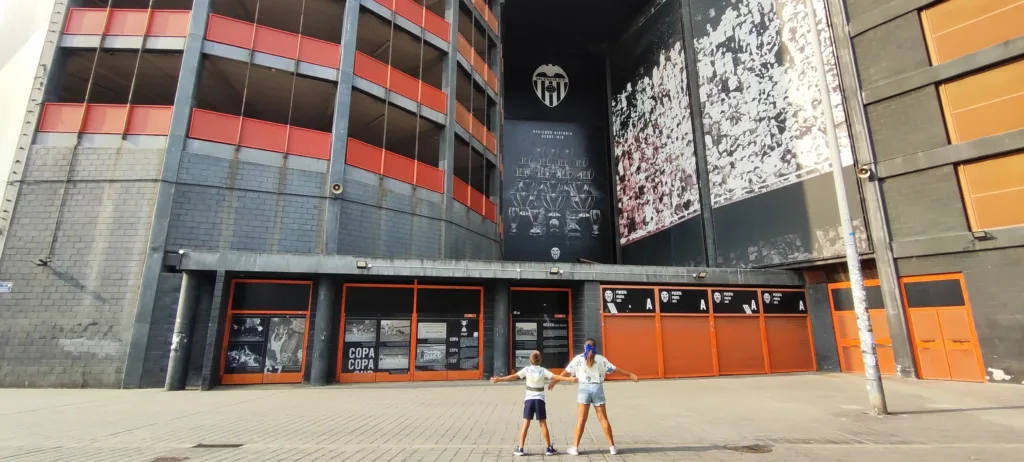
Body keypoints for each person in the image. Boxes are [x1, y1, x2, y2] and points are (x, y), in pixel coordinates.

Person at [549, 338, 639, 455]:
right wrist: (629, 374)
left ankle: (575, 448)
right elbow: (615, 369)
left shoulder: (578, 359)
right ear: (595, 347)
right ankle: (612, 447)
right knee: (603, 419)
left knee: (581, 419)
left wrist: (554, 381)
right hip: (597, 389)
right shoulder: (601, 359)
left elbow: (566, 371)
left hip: (583, 389)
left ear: (584, 347)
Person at [491, 350, 577, 456]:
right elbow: (556, 377)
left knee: (525, 424)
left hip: (529, 400)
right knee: (543, 424)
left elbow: (513, 377)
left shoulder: (527, 370)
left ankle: (521, 448)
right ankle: (549, 448)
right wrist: (569, 379)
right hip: (540, 400)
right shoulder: (542, 371)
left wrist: (500, 379)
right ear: (540, 360)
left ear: (530, 360)